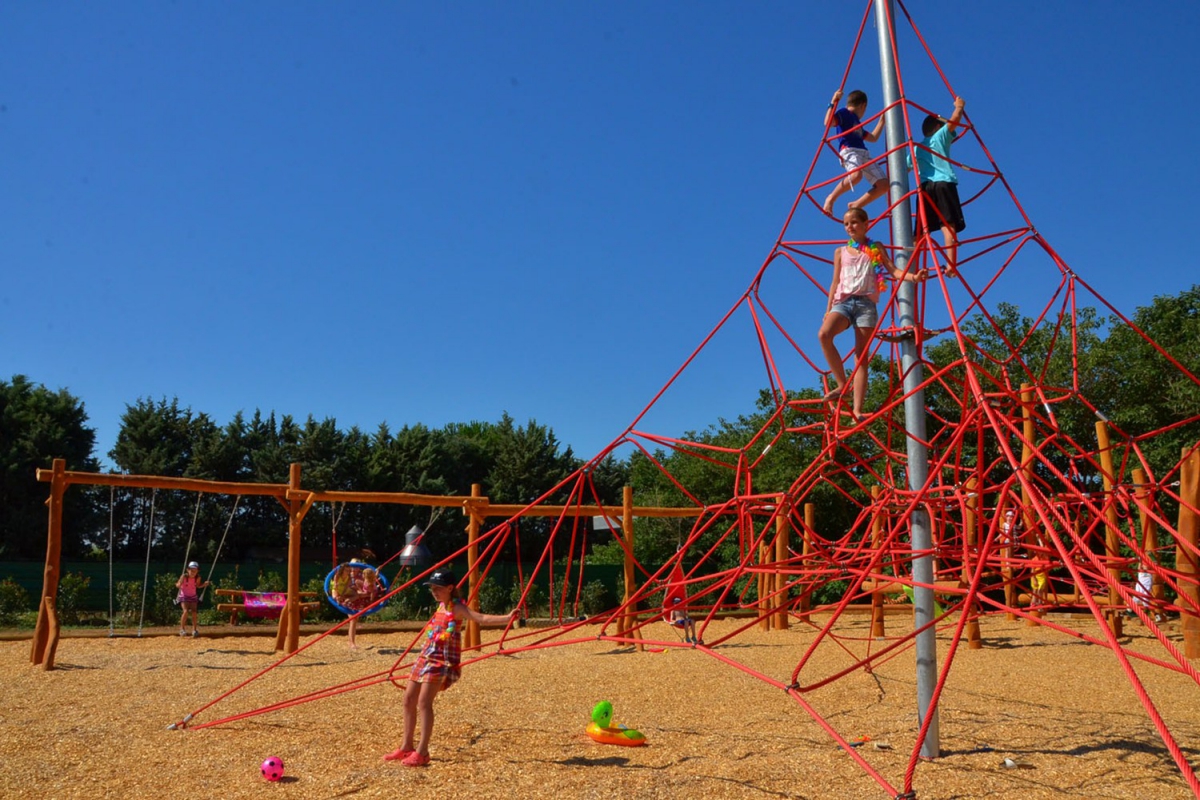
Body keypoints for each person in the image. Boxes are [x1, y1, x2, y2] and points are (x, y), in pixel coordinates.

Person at [382, 569, 517, 767]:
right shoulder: (441, 606)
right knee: (408, 699)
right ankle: (406, 746)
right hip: (425, 656)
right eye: (432, 588)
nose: (434, 592)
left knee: (424, 703)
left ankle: (422, 751)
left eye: (438, 588)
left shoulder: (457, 608)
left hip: (441, 661)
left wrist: (506, 618)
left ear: (450, 588)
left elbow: (480, 618)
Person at [818, 207, 927, 422]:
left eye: (854, 222)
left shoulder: (875, 247)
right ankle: (842, 385)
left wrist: (914, 277)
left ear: (866, 224)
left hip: (866, 304)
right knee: (824, 334)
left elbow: (892, 270)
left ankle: (857, 409)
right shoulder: (840, 252)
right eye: (846, 224)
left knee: (861, 357)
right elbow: (835, 281)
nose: (850, 227)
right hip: (844, 302)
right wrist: (828, 308)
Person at [907, 97, 966, 272]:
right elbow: (954, 120)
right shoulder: (939, 137)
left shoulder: (916, 148)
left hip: (925, 189)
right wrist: (959, 106)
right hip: (943, 184)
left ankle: (914, 267)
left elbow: (906, 167)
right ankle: (950, 264)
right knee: (947, 225)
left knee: (920, 230)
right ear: (937, 127)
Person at [822, 89, 888, 215]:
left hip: (863, 153)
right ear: (863, 105)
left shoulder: (858, 123)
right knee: (856, 176)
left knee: (884, 185)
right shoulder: (844, 113)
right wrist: (833, 101)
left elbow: (873, 138)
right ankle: (831, 198)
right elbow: (828, 122)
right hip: (849, 150)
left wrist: (881, 121)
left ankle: (857, 204)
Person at [347, 566, 381, 650]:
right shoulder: (366, 579)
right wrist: (377, 571)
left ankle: (352, 642)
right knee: (353, 620)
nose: (360, 574)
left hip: (366, 594)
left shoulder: (370, 583)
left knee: (358, 596)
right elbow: (375, 575)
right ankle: (351, 643)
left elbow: (372, 594)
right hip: (362, 593)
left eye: (363, 574)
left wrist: (371, 601)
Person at [175, 561, 209, 638]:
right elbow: (177, 585)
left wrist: (204, 585)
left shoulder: (198, 577)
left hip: (193, 597)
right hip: (184, 597)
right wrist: (179, 585)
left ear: (197, 571)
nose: (193, 572)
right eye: (192, 570)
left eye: (195, 570)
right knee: (186, 611)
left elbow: (197, 586)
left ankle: (194, 630)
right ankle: (182, 629)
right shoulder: (184, 576)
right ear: (188, 570)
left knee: (194, 612)